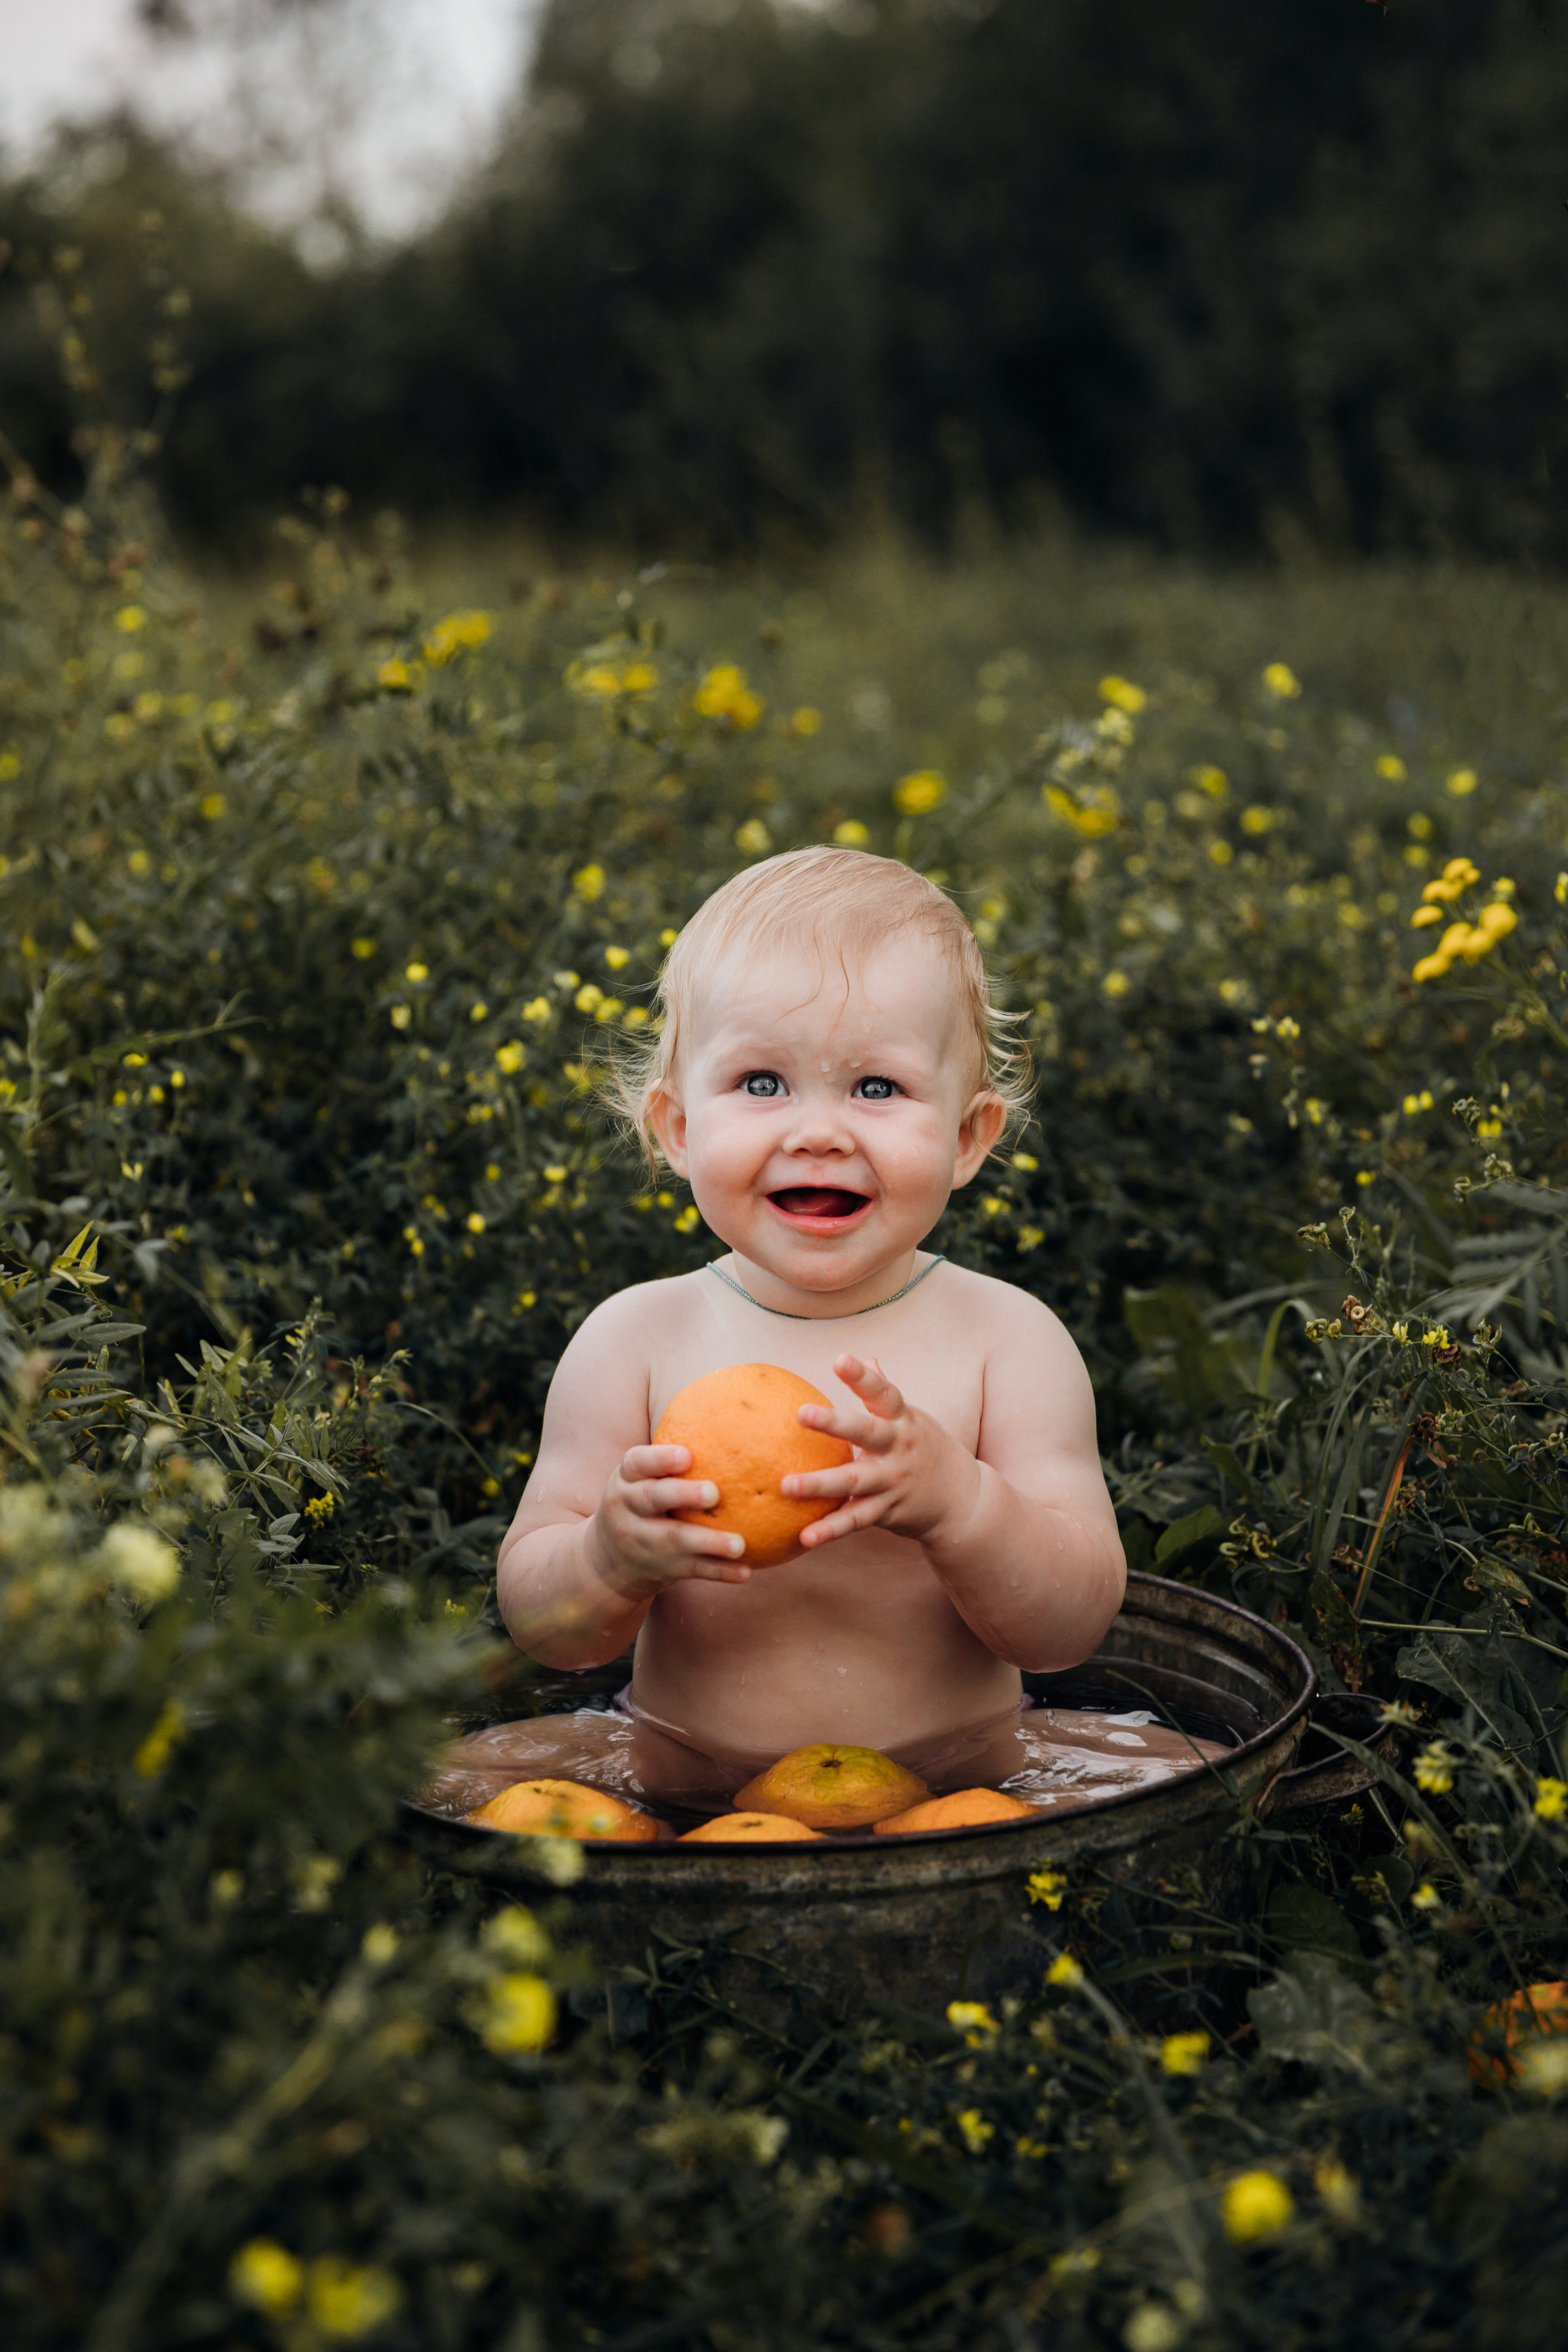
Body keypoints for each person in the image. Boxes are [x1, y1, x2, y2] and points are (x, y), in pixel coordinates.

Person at [460, 848, 1136, 1818]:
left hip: (958, 1786)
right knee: (449, 1778)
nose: (818, 1132)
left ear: (965, 1138)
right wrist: (608, 1558)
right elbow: (544, 1626)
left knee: (1182, 1766)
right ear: (678, 1128)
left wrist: (961, 1506)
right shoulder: (636, 1338)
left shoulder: (1007, 1342)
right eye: (763, 1083)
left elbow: (1069, 1631)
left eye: (875, 1089)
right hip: (681, 1778)